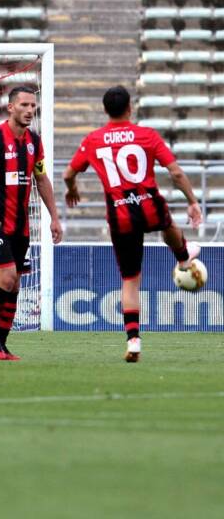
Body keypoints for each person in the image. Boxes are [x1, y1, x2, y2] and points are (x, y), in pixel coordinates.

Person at [64, 85, 201, 362]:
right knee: (167, 225)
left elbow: (68, 173)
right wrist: (192, 201)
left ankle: (134, 340)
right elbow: (174, 172)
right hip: (148, 203)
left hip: (119, 212)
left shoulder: (93, 139)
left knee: (129, 281)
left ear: (105, 110)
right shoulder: (147, 135)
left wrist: (72, 188)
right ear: (130, 108)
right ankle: (184, 259)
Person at [0, 86, 63, 361]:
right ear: (11, 107)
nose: (30, 110)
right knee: (6, 279)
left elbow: (42, 179)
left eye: (33, 106)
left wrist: (54, 217)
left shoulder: (34, 141)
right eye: (24, 105)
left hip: (21, 226)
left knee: (16, 285)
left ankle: (1, 343)